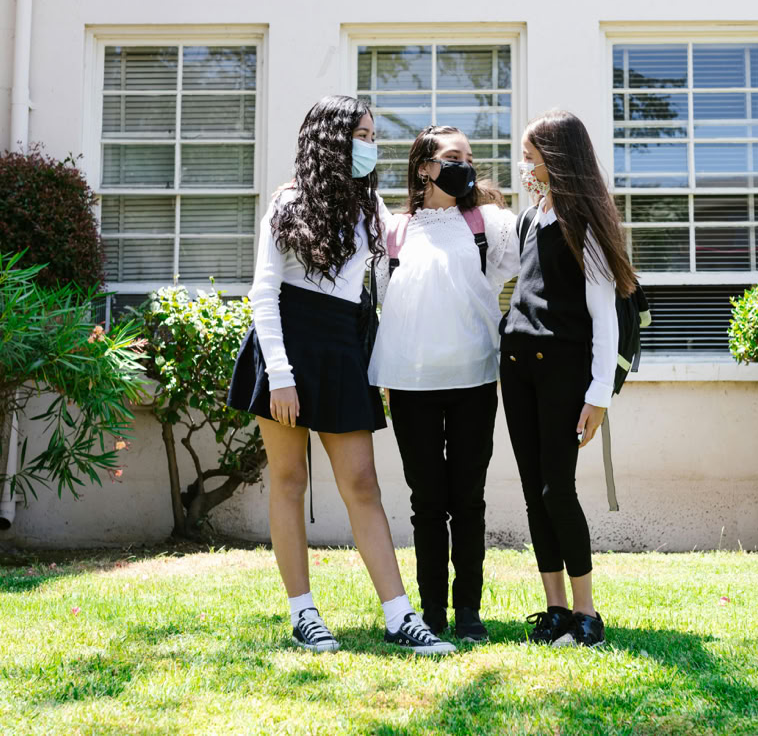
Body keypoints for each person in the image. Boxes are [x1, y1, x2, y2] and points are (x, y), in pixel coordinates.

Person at [227, 95, 455, 655]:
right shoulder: (287, 203)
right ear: (330, 138)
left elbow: (409, 256)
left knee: (362, 485)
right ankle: (303, 613)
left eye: (374, 138)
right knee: (288, 481)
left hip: (342, 348)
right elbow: (263, 294)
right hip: (288, 346)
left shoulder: (370, 208)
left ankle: (400, 617)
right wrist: (279, 375)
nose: (370, 147)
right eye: (362, 135)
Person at [368, 125, 518, 642]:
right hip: (410, 386)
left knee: (468, 499)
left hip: (476, 379)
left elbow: (520, 266)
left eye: (470, 157)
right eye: (455, 156)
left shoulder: (488, 223)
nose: (467, 165)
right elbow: (384, 298)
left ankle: (469, 613)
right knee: (426, 501)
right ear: (425, 167)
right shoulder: (395, 230)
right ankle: (431, 611)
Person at [499, 109, 638, 649]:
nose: (525, 169)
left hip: (563, 373)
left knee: (559, 490)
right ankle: (554, 607)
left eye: (531, 160)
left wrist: (598, 396)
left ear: (556, 162)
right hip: (515, 370)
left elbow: (605, 319)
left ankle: (586, 612)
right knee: (536, 493)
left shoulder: (586, 227)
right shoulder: (533, 217)